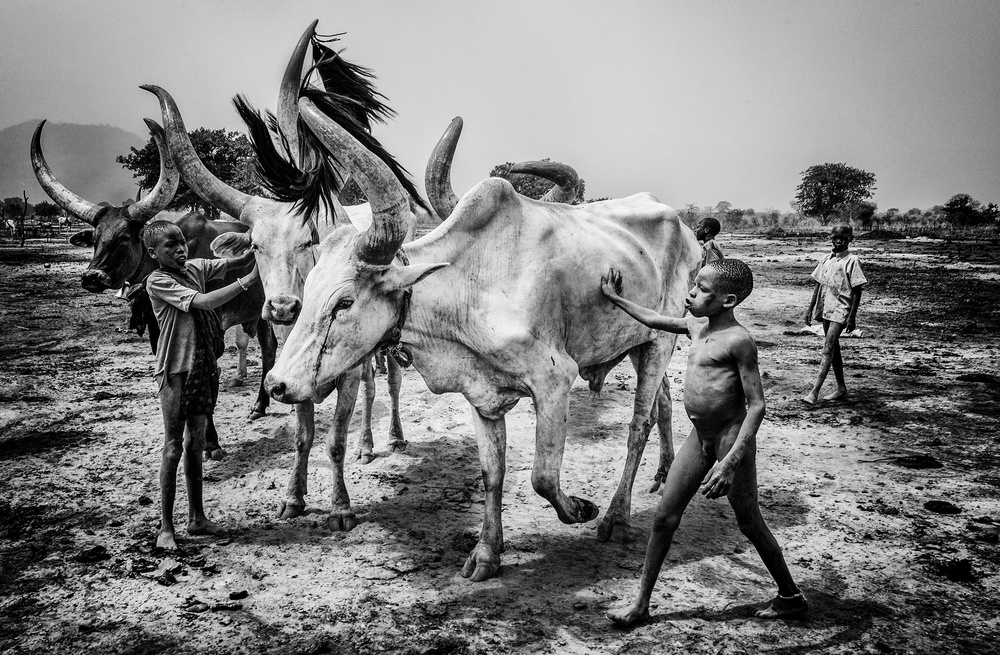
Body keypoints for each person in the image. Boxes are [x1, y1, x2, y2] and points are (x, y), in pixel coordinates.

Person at [601, 259, 806, 627]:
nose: (691, 294)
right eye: (693, 286)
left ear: (727, 301)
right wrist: (615, 298)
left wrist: (730, 462)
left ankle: (790, 595)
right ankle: (641, 605)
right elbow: (652, 319)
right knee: (664, 518)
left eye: (702, 290)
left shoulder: (739, 341)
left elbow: (757, 405)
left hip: (730, 439)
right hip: (700, 436)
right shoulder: (696, 325)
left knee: (749, 522)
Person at [142, 220, 259, 550]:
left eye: (181, 242)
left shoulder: (195, 267)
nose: (180, 249)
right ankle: (166, 528)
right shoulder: (158, 280)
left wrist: (260, 248)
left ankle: (197, 518)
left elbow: (233, 260)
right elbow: (205, 303)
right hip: (176, 372)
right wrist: (247, 282)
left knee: (195, 444)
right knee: (172, 447)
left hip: (204, 367)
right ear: (153, 253)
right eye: (170, 246)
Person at [801, 224, 867, 405]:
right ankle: (841, 389)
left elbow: (857, 290)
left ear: (850, 240)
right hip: (826, 308)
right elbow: (818, 285)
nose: (839, 241)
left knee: (828, 349)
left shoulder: (852, 261)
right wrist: (810, 308)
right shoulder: (826, 259)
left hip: (841, 310)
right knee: (834, 349)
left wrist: (852, 317)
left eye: (843, 238)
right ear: (831, 238)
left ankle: (814, 392)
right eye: (836, 237)